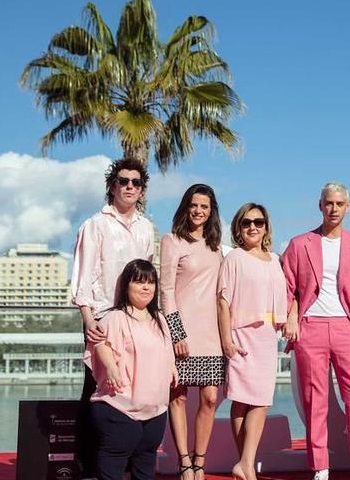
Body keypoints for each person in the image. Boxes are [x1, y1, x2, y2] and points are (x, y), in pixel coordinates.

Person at [280, 182, 350, 480]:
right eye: (328, 203)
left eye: (339, 204)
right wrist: (292, 318)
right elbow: (289, 288)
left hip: (347, 327)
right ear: (320, 205)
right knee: (314, 400)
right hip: (311, 327)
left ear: (348, 207)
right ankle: (320, 467)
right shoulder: (299, 244)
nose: (333, 209)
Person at [71, 157, 156, 478]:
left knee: (134, 391)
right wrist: (88, 318)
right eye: (123, 181)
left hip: (136, 320)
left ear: (142, 189)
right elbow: (84, 275)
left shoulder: (147, 228)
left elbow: (146, 277)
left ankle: (128, 466)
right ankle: (90, 470)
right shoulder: (95, 225)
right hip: (103, 319)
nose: (129, 187)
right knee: (97, 393)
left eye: (136, 182)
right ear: (112, 186)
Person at [86, 259, 178, 480]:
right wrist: (111, 367)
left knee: (146, 462)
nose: (146, 287)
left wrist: (172, 366)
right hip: (119, 405)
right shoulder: (115, 317)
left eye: (151, 282)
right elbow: (101, 345)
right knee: (114, 463)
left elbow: (166, 350)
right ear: (127, 286)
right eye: (139, 282)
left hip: (155, 408)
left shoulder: (161, 320)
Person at [217, 203, 288, 480]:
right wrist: (226, 340)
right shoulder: (234, 258)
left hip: (267, 336)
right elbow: (222, 302)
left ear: (266, 227)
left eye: (258, 222)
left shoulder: (274, 259)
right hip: (241, 333)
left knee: (261, 401)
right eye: (247, 222)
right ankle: (246, 466)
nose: (253, 227)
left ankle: (245, 464)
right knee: (242, 400)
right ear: (239, 227)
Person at [160, 184, 226, 480]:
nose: (199, 211)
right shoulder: (172, 241)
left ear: (212, 211)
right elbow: (165, 291)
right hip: (182, 332)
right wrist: (176, 333)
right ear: (186, 207)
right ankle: (184, 462)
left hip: (212, 334)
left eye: (205, 206)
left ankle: (200, 461)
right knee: (179, 396)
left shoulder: (217, 246)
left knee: (210, 398)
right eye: (194, 205)